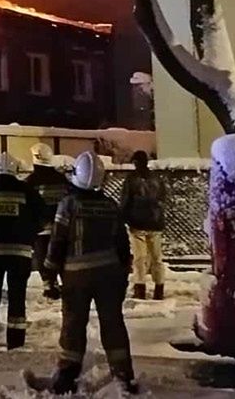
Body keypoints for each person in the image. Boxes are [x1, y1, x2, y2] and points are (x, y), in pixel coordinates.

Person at [35, 151, 138, 395]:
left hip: (76, 278)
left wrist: (49, 275)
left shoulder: (68, 205)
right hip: (109, 276)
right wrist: (123, 273)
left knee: (73, 324)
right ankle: (123, 375)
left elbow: (57, 242)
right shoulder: (110, 206)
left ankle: (67, 375)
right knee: (113, 324)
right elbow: (122, 245)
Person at [0, 152, 46, 349]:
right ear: (15, 170)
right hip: (19, 254)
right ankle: (15, 341)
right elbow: (43, 216)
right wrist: (29, 234)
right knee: (17, 297)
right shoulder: (26, 190)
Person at [122, 151, 167, 300]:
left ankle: (140, 288)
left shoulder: (131, 179)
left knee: (139, 258)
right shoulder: (156, 178)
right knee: (156, 258)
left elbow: (125, 200)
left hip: (137, 223)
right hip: (155, 222)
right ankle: (159, 288)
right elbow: (162, 198)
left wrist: (124, 218)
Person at [23, 143, 71, 287]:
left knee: (43, 260)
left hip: (41, 230)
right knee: (63, 259)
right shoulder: (62, 179)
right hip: (62, 228)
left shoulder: (30, 182)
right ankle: (68, 286)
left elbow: (27, 207)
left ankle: (49, 284)